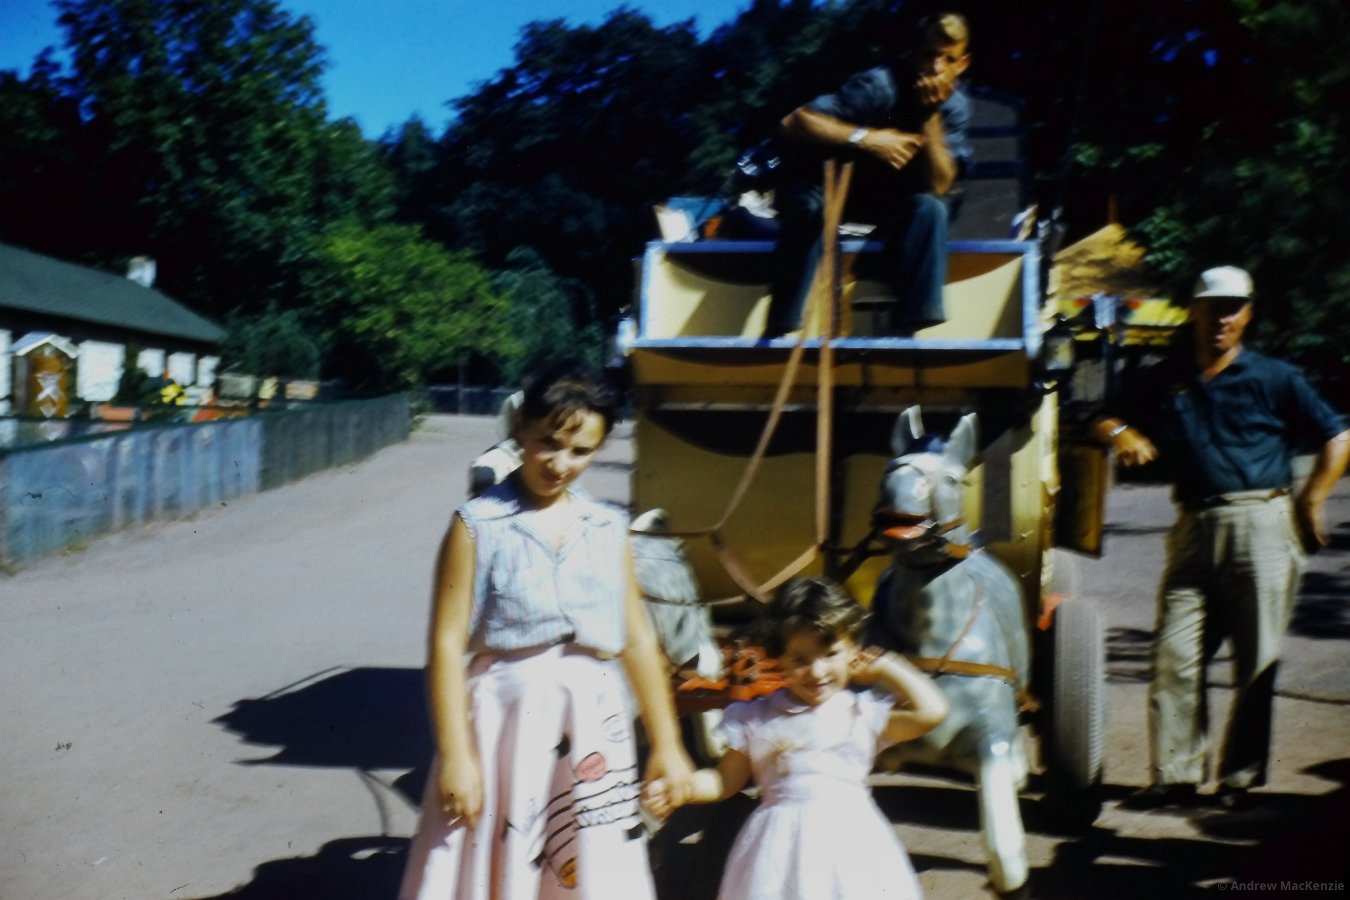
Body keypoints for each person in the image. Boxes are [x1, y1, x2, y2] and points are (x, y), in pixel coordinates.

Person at [398, 359, 694, 899]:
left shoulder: (606, 527)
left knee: (585, 864)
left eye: (580, 451)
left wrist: (668, 745)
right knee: (503, 855)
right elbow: (444, 645)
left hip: (591, 721)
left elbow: (637, 639)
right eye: (548, 444)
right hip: (504, 722)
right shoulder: (477, 525)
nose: (560, 464)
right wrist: (457, 756)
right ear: (521, 429)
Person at [1092, 266, 1350, 811]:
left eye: (1233, 308)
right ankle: (1176, 776)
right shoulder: (1167, 377)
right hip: (1192, 526)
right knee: (1174, 653)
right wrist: (1122, 432)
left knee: (1256, 658)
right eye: (1213, 307)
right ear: (1194, 311)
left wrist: (1313, 499)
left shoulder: (1275, 377)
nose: (1221, 318)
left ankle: (1239, 779)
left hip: (1262, 523)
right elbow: (1102, 416)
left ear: (1248, 315)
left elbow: (1338, 435)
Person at [642, 576, 949, 899]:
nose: (816, 672)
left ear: (852, 652)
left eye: (830, 654)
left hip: (851, 843)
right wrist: (684, 788)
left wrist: (887, 667)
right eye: (800, 660)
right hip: (778, 851)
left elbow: (932, 712)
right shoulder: (758, 717)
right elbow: (724, 781)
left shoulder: (860, 713)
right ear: (779, 659)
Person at [764, 12, 974, 338]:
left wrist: (930, 115)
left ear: (962, 64)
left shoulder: (955, 107)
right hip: (833, 188)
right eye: (929, 55)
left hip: (891, 206)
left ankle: (913, 324)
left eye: (948, 59)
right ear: (913, 53)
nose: (936, 68)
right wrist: (867, 138)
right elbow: (794, 122)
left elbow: (939, 183)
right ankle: (783, 325)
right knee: (807, 207)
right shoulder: (878, 85)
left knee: (932, 209)